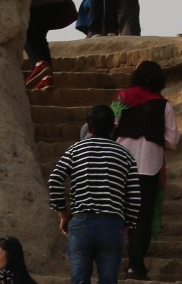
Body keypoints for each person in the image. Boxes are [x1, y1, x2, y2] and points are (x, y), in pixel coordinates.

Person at [48, 104, 141, 284]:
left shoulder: (76, 150)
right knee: (108, 279)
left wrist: (63, 213)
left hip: (81, 223)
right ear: (113, 128)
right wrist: (125, 225)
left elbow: (54, 179)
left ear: (88, 128)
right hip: (112, 223)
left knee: (80, 279)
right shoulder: (125, 155)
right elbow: (135, 198)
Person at [111, 59, 180, 280]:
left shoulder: (122, 97)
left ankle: (109, 260)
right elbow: (172, 141)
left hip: (120, 164)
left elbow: (110, 122)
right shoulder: (164, 105)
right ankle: (135, 266)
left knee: (116, 212)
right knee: (143, 217)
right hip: (150, 166)